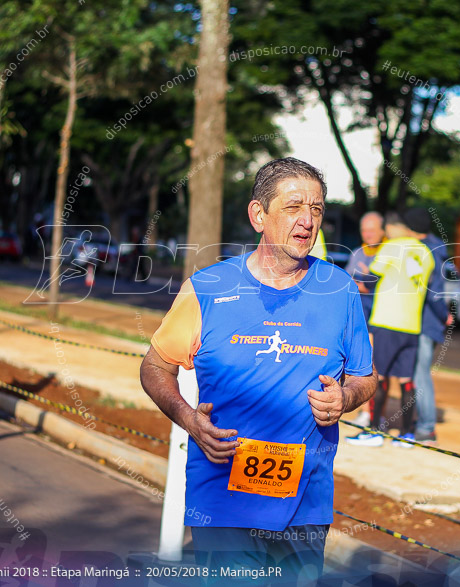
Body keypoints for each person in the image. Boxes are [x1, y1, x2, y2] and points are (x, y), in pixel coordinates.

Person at [140, 157, 375, 583]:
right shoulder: (208, 288)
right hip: (222, 496)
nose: (307, 221)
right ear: (258, 215)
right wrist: (191, 421)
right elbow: (155, 367)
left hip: (305, 501)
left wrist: (346, 397)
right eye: (293, 207)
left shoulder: (340, 290)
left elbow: (365, 376)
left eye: (317, 209)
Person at [346, 211, 438, 448]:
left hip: (387, 321)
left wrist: (363, 277)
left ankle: (374, 430)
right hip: (412, 325)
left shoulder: (391, 247)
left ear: (395, 228)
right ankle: (406, 434)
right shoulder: (426, 253)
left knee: (381, 377)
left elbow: (371, 278)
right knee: (407, 380)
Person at [403, 208, 454, 442]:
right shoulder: (437, 248)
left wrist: (443, 315)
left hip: (425, 322)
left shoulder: (425, 251)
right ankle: (421, 421)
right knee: (417, 373)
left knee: (420, 374)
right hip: (427, 321)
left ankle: (427, 427)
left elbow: (433, 293)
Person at [344, 211, 385, 427]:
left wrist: (367, 285)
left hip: (383, 317)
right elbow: (349, 277)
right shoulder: (359, 252)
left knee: (380, 368)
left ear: (382, 230)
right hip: (362, 317)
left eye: (372, 230)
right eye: (364, 230)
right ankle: (368, 414)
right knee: (363, 365)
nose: (368, 235)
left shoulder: (389, 251)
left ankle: (376, 416)